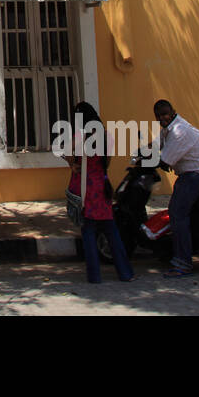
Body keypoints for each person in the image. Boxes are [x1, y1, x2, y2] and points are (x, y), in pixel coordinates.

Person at [67, 101, 135, 284]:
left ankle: (94, 275)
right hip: (102, 185)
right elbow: (107, 162)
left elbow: (65, 148)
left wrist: (73, 164)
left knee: (88, 230)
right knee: (111, 230)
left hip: (86, 188)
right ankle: (125, 272)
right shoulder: (106, 136)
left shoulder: (80, 136)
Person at [153, 99, 199, 278]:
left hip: (198, 173)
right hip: (190, 173)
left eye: (165, 114)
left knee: (177, 212)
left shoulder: (180, 131)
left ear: (172, 112)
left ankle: (183, 262)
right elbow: (155, 145)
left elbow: (165, 160)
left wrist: (154, 159)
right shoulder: (168, 130)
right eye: (158, 116)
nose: (162, 118)